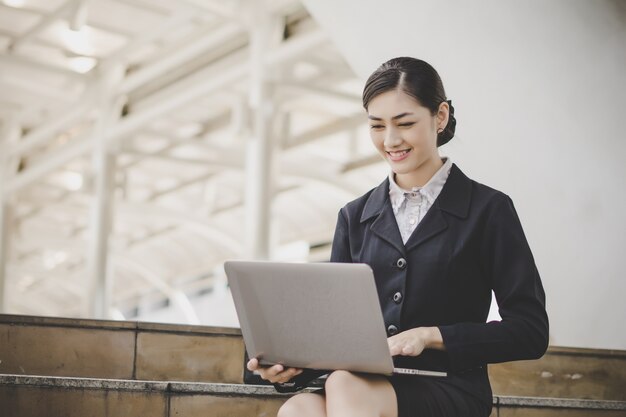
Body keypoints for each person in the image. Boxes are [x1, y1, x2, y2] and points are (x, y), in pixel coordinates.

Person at [247, 57, 549, 417]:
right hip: (361, 383)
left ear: (440, 116)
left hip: (448, 387)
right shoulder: (354, 216)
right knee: (298, 408)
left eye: (404, 123)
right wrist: (287, 369)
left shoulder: (488, 209)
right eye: (377, 126)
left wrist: (430, 335)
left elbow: (530, 330)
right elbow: (339, 333)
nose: (390, 141)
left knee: (343, 386)